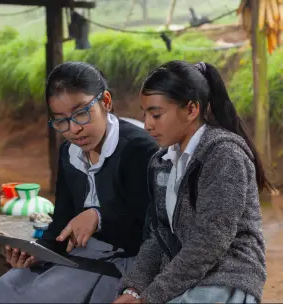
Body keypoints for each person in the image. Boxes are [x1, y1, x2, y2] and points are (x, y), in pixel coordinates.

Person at [0, 61, 158, 303]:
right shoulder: (69, 153)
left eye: (81, 113)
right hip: (83, 254)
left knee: (38, 297)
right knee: (6, 289)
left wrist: (98, 216)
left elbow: (152, 228)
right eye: (61, 120)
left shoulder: (138, 149)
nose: (74, 130)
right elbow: (63, 216)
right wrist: (38, 251)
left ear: (105, 101)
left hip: (128, 263)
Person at [114, 60, 270, 304]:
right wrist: (133, 289)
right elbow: (160, 235)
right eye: (145, 114)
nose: (147, 125)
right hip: (184, 278)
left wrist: (150, 297)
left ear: (191, 110)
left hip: (226, 279)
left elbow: (209, 243)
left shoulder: (224, 155)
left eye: (156, 114)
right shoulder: (163, 161)